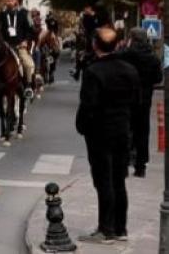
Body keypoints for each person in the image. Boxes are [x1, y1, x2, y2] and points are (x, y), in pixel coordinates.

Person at [76, 28, 140, 244]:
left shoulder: (93, 71)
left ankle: (106, 229)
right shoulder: (130, 70)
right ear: (117, 45)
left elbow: (88, 106)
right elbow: (137, 103)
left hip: (99, 134)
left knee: (104, 181)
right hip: (122, 130)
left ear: (95, 45)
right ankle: (121, 228)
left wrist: (82, 126)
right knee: (119, 180)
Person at [119, 28, 162, 177]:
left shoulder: (126, 55)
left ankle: (123, 165)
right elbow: (158, 78)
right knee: (142, 132)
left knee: (125, 131)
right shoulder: (153, 58)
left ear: (132, 39)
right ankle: (140, 167)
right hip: (144, 100)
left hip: (126, 98)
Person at [0, 0, 35, 98]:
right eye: (7, 0)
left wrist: (25, 41)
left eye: (11, 0)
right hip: (6, 45)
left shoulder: (24, 13)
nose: (9, 2)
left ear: (15, 1)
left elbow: (31, 30)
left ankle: (28, 86)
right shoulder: (2, 14)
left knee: (29, 64)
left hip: (20, 45)